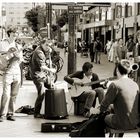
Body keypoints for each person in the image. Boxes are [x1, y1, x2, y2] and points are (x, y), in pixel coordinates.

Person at [99, 60, 140, 130]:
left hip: (121, 123)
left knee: (104, 117)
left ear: (117, 70)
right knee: (113, 108)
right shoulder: (135, 84)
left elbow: (103, 106)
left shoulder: (115, 85)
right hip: (135, 122)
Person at [29, 38, 56, 118]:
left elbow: (46, 60)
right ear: (42, 44)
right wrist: (51, 70)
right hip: (37, 75)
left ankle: (52, 109)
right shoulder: (39, 52)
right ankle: (36, 113)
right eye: (46, 45)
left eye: (49, 45)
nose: (48, 47)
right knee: (41, 93)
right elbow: (43, 66)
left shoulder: (43, 50)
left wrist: (49, 52)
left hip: (43, 74)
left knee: (53, 87)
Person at [0, 29, 23, 122]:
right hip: (7, 71)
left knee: (14, 94)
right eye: (13, 33)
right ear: (9, 34)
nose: (15, 35)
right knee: (6, 94)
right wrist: (8, 56)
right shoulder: (2, 44)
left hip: (16, 70)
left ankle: (10, 113)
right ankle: (2, 114)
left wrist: (18, 57)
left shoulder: (18, 45)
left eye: (16, 34)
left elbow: (21, 59)